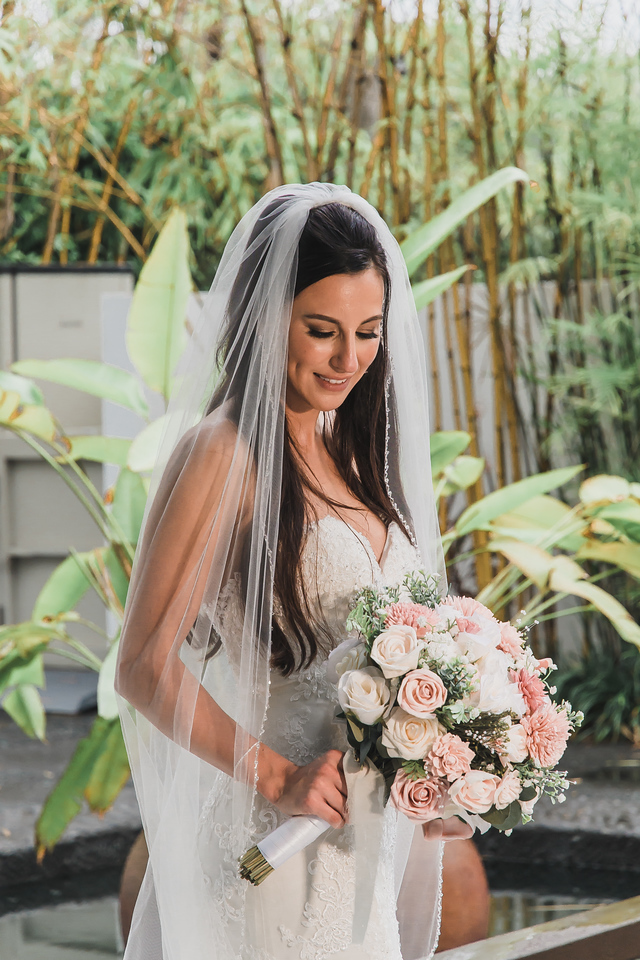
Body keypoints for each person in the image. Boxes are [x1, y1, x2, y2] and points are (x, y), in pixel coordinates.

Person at [115, 183, 480, 960]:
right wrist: (277, 777)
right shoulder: (225, 454)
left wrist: (437, 762)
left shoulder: (346, 454)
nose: (350, 358)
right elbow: (144, 665)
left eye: (369, 332)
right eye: (322, 331)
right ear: (264, 317)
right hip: (270, 843)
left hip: (359, 849)